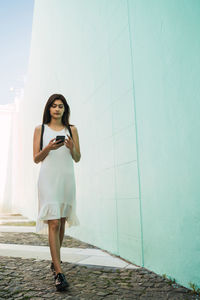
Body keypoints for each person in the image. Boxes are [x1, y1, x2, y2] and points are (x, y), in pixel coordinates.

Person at [33, 94, 81, 291]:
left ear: (65, 109)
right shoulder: (40, 129)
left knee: (61, 221)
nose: (57, 109)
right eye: (53, 106)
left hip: (66, 180)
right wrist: (49, 148)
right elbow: (36, 158)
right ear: (49, 108)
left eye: (60, 106)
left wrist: (71, 147)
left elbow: (77, 158)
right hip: (48, 180)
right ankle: (59, 273)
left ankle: (55, 261)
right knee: (52, 221)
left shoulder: (72, 129)